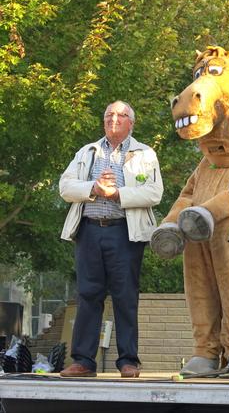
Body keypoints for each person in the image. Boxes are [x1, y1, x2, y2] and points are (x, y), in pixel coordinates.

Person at [59, 100, 163, 378]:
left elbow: (154, 193)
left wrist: (117, 194)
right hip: (89, 230)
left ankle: (128, 361)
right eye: (108, 114)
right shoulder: (87, 151)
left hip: (124, 232)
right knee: (87, 294)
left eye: (120, 115)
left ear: (131, 122)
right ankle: (83, 361)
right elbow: (65, 187)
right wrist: (94, 188)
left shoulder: (144, 154)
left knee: (125, 295)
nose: (113, 118)